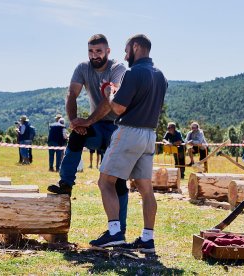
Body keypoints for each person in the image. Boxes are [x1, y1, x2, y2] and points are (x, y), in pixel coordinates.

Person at [77, 34, 167, 252]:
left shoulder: (135, 72)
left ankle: (115, 232)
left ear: (136, 47)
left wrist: (109, 93)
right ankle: (148, 239)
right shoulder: (160, 75)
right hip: (149, 135)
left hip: (129, 132)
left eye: (127, 50)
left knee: (105, 182)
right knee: (146, 189)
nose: (125, 55)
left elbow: (117, 108)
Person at [46, 34, 129, 235]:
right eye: (91, 51)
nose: (94, 55)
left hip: (118, 127)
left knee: (116, 180)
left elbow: (110, 100)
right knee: (76, 136)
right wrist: (75, 121)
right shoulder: (82, 68)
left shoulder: (118, 68)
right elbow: (71, 94)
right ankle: (66, 183)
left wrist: (87, 121)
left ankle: (119, 229)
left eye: (99, 51)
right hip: (96, 125)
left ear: (108, 51)